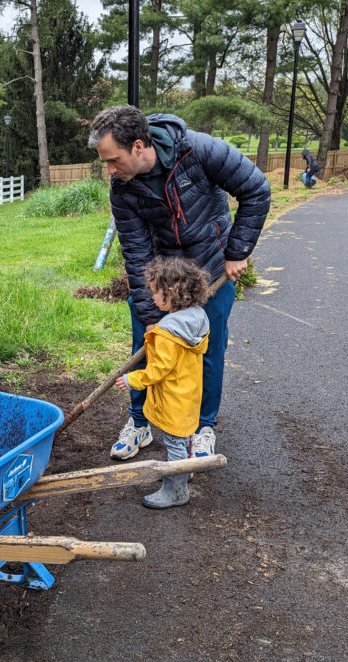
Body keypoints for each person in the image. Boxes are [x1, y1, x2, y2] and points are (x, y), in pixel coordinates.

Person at [88, 105, 271, 461]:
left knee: (207, 350)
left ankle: (202, 428)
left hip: (212, 272)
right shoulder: (122, 189)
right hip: (162, 281)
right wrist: (151, 314)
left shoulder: (199, 150)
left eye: (113, 160)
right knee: (147, 344)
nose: (109, 170)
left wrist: (237, 251)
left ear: (138, 146)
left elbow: (256, 190)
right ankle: (140, 422)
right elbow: (137, 253)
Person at [115, 257, 210, 508]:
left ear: (172, 294)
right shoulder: (197, 319)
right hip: (189, 394)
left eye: (156, 292)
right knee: (185, 437)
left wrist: (132, 379)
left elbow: (158, 370)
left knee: (174, 444)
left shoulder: (168, 331)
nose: (153, 298)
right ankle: (186, 470)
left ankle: (176, 491)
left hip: (173, 398)